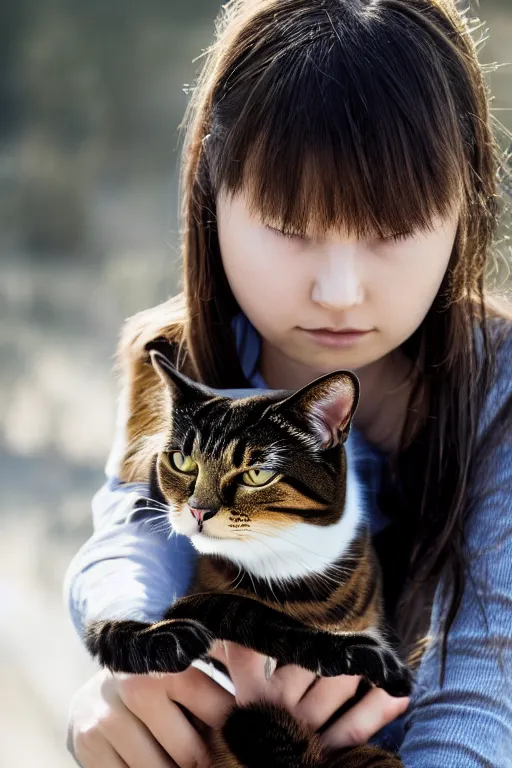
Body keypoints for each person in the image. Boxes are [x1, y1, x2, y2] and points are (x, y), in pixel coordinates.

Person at [64, 0, 512, 766]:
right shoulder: (173, 358)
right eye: (289, 225)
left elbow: (488, 676)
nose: (338, 290)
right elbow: (131, 540)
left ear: (464, 202)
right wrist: (126, 666)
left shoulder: (498, 387)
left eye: (391, 232)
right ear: (212, 187)